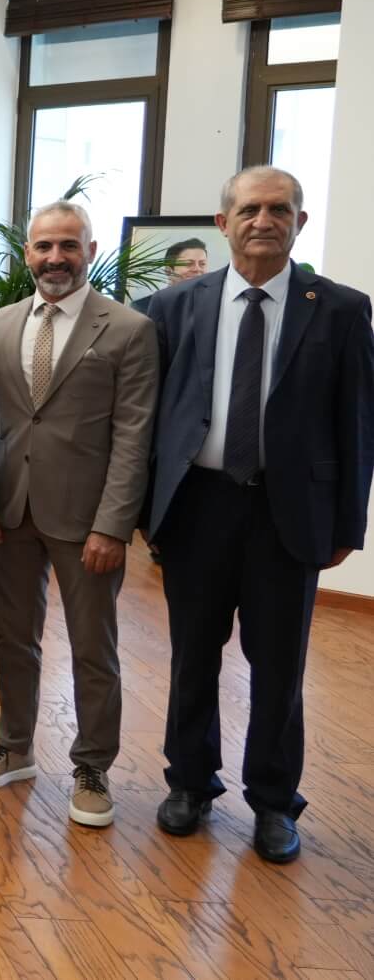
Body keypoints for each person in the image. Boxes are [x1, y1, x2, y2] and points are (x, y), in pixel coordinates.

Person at [145, 166, 373, 864]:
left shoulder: (338, 309)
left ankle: (274, 801)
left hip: (288, 513)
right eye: (249, 209)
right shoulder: (172, 307)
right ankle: (189, 784)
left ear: (300, 221)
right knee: (192, 656)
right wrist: (146, 511)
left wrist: (347, 525)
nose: (263, 220)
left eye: (279, 209)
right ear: (223, 223)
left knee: (278, 666)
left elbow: (357, 424)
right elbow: (151, 419)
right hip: (197, 507)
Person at [0, 202, 158, 827]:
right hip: (10, 510)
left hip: (88, 520)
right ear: (27, 253)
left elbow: (134, 437)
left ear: (90, 251)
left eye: (69, 246)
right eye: (44, 246)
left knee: (93, 647)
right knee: (12, 637)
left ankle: (92, 766)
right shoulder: (0, 324)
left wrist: (113, 524)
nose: (55, 258)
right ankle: (14, 746)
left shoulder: (128, 329)